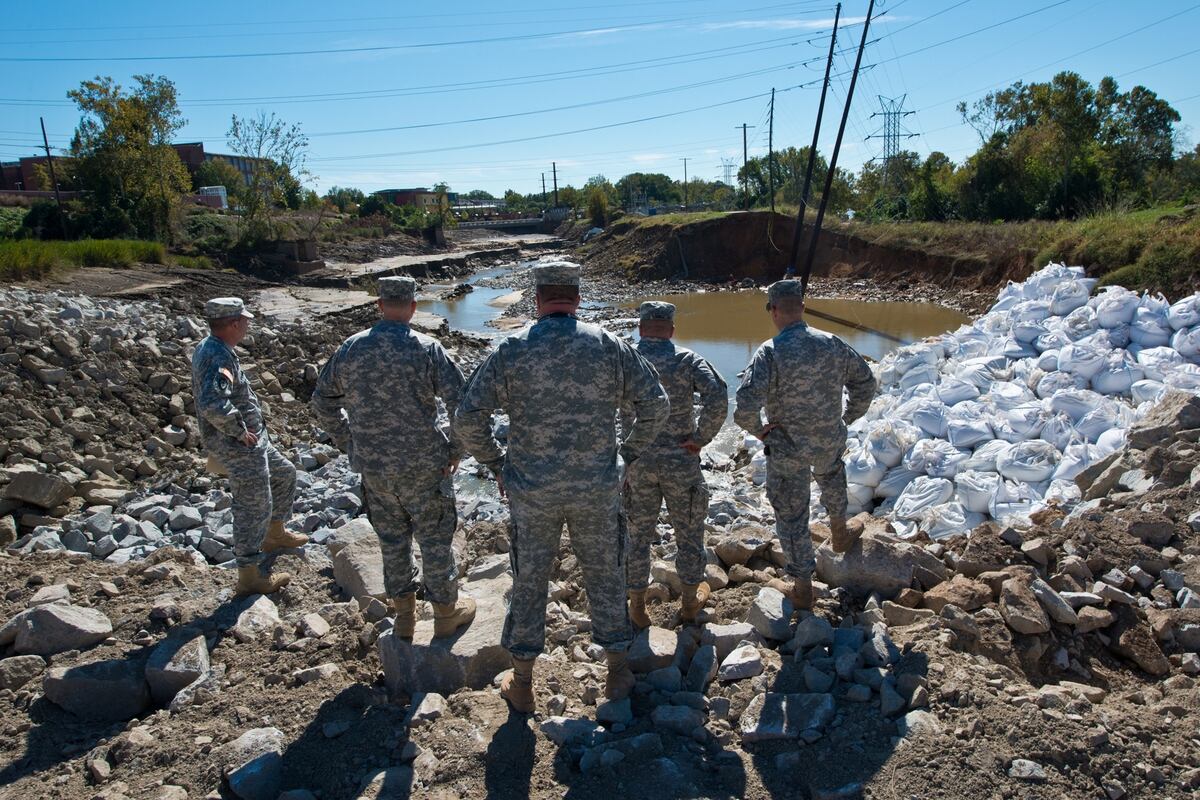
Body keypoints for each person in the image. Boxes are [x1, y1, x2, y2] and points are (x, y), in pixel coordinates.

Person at [455, 262, 669, 713]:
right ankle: (617, 672)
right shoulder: (608, 345)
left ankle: (523, 683)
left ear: (537, 299)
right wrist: (627, 456)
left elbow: (467, 418)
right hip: (596, 487)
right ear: (577, 298)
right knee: (606, 574)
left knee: (530, 580)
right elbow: (656, 404)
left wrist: (496, 464)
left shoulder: (512, 349)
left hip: (533, 490)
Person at [311, 276, 475, 640]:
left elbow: (321, 402)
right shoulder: (427, 348)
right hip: (425, 466)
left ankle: (404, 618)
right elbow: (462, 405)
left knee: (392, 541)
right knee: (435, 540)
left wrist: (349, 442)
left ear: (380, 305)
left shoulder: (351, 348)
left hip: (375, 469)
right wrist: (454, 450)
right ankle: (445, 613)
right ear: (413, 307)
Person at [733, 280, 876, 609]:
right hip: (827, 437)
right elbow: (866, 382)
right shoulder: (832, 343)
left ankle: (802, 587)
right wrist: (846, 417)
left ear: (773, 311)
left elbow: (744, 406)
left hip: (788, 446)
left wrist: (760, 431)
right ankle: (839, 531)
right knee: (832, 475)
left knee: (792, 512)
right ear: (802, 307)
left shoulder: (769, 351)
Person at [191, 297, 308, 596]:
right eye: (244, 320)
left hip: (253, 441)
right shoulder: (217, 355)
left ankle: (275, 534)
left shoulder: (215, 347)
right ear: (233, 324)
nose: (247, 324)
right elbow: (212, 404)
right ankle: (249, 576)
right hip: (239, 445)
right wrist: (239, 431)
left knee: (284, 473)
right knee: (253, 506)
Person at [623, 301, 727, 627]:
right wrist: (700, 438)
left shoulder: (625, 361)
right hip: (681, 462)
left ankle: (637, 607)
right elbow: (718, 395)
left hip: (638, 463)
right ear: (671, 330)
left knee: (637, 536)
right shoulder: (687, 359)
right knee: (689, 533)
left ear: (641, 328)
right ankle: (690, 603)